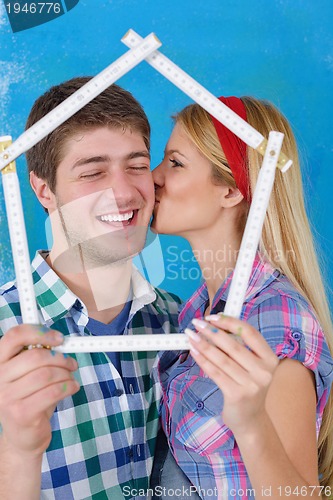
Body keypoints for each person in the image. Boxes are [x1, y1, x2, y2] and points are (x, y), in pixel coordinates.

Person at [0, 78, 181, 499]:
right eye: (93, 172)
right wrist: (19, 451)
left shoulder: (181, 324)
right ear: (45, 190)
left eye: (136, 165)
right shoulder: (7, 334)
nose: (123, 192)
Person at [150, 96, 333, 499]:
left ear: (232, 190)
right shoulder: (199, 310)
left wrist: (251, 425)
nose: (154, 177)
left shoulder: (274, 320)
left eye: (175, 163)